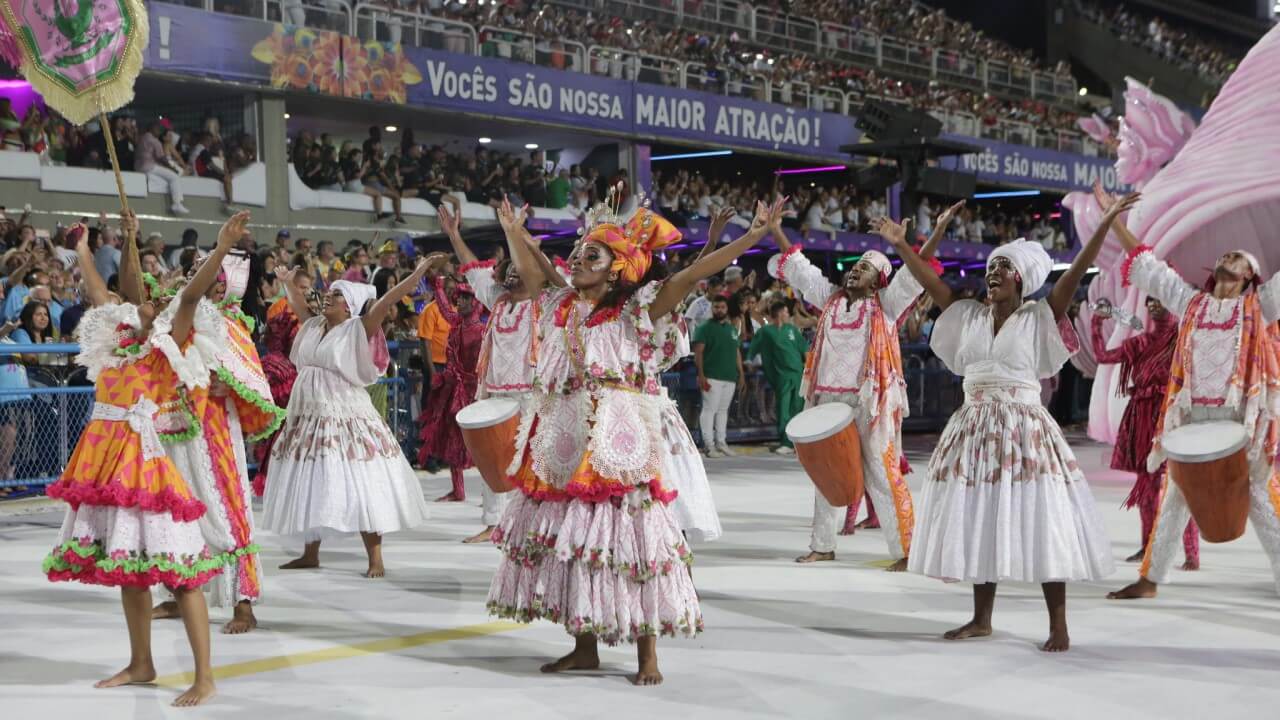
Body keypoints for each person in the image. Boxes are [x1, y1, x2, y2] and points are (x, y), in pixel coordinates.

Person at [486, 194, 783, 685]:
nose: (578, 261)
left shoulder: (636, 309)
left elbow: (688, 277)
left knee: (632, 540)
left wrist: (752, 237)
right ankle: (584, 647)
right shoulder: (566, 304)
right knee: (573, 538)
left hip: (619, 438)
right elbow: (534, 278)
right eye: (577, 253)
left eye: (592, 256)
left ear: (617, 268)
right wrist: (514, 233)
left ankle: (648, 656)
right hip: (569, 436)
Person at [897, 192, 1138, 652]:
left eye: (1002, 268)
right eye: (990, 268)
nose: (992, 274)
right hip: (974, 427)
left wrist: (1105, 222)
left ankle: (1058, 623)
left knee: (1042, 519)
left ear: (1021, 279)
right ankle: (981, 618)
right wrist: (902, 245)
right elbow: (929, 282)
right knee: (981, 518)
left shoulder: (1040, 316)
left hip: (1024, 431)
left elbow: (1071, 274)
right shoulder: (967, 314)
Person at [42, 211, 241, 706]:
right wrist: (85, 250)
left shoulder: (166, 346)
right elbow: (99, 296)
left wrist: (218, 250)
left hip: (144, 465)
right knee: (130, 571)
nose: (147, 300)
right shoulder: (116, 343)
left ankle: (204, 676)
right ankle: (142, 663)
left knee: (180, 573)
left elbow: (191, 295)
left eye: (156, 298)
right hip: (104, 462)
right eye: (142, 298)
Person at [1100, 188, 1280, 601]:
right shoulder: (1192, 304)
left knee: (1264, 508)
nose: (1228, 258)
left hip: (1241, 426)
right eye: (1225, 256)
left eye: (1238, 258)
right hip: (1193, 423)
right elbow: (1149, 266)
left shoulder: (1260, 306)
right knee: (1173, 502)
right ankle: (1150, 581)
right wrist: (1114, 221)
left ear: (1249, 275)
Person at [775, 202, 957, 569]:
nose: (855, 271)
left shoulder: (886, 305)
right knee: (825, 472)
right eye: (855, 266)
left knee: (881, 474)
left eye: (865, 268)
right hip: (826, 399)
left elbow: (915, 273)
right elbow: (799, 269)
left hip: (869, 403)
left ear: (878, 280)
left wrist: (935, 232)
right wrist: (776, 229)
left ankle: (906, 551)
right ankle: (822, 545)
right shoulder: (829, 300)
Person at [150, 221, 287, 635]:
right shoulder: (171, 313)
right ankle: (179, 592)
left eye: (209, 272)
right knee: (176, 509)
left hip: (212, 429)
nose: (198, 277)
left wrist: (224, 246)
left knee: (227, 509)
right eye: (195, 270)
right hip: (172, 424)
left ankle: (244, 602)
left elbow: (243, 380)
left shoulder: (230, 324)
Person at [264, 256, 434, 578]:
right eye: (330, 292)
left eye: (338, 295)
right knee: (312, 479)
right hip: (310, 415)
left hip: (345, 414)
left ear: (349, 307)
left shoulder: (357, 328)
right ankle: (310, 552)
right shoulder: (313, 325)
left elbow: (386, 302)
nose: (329, 296)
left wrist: (417, 275)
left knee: (360, 481)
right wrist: (287, 282)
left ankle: (375, 556)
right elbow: (299, 302)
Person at [438, 204, 535, 543]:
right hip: (494, 395)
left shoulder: (544, 302)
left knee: (531, 462)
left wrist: (514, 232)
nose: (509, 274)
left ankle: (531, 524)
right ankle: (494, 523)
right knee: (493, 461)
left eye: (517, 269)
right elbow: (471, 269)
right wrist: (454, 235)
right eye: (506, 270)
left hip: (532, 397)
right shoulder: (497, 300)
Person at [1091, 297, 1199, 567]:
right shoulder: (1143, 341)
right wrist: (1096, 322)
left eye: (1159, 299)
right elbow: (1103, 357)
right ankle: (1147, 546)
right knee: (1147, 487)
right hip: (1142, 419)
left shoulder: (1185, 338)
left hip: (1172, 417)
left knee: (1183, 486)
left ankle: (1191, 553)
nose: (1152, 305)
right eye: (1149, 300)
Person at [416, 271, 484, 503]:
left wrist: (463, 382)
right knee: (454, 439)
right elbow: (445, 309)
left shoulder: (478, 331)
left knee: (476, 442)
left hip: (469, 391)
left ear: (477, 303)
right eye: (460, 297)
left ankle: (491, 491)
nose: (460, 301)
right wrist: (438, 285)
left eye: (466, 298)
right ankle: (459, 490)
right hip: (453, 387)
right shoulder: (457, 322)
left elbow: (477, 367)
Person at [747, 301, 808, 456]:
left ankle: (798, 442)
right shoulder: (766, 332)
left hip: (798, 374)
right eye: (786, 312)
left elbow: (805, 350)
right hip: (782, 375)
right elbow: (754, 346)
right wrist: (749, 360)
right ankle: (786, 442)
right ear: (780, 313)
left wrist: (810, 369)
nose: (788, 315)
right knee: (784, 409)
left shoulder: (793, 330)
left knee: (798, 408)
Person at [693, 295, 743, 457]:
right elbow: (698, 353)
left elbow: (737, 353)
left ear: (726, 309)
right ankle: (709, 445)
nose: (719, 310)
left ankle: (721, 443)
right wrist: (701, 375)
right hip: (711, 375)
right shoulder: (704, 328)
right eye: (716, 307)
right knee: (709, 410)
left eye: (722, 307)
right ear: (712, 308)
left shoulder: (732, 330)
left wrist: (741, 374)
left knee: (722, 411)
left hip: (729, 376)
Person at [136, 119, 190, 216]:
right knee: (174, 177)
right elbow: (162, 158)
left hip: (138, 167)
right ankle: (177, 203)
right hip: (149, 166)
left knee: (165, 178)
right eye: (157, 129)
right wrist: (172, 168)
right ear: (152, 129)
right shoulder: (154, 140)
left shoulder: (142, 138)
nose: (159, 131)